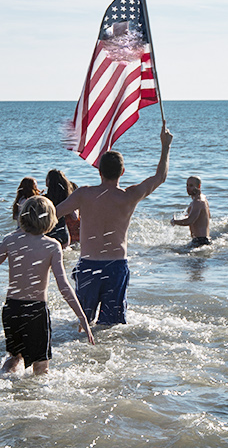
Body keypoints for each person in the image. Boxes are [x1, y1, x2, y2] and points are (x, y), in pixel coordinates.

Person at [0, 195, 95, 374]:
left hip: (12, 309)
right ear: (50, 219)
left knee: (14, 358)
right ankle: (36, 399)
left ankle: (0, 382)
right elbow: (63, 285)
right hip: (36, 310)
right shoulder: (52, 246)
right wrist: (82, 317)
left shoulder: (11, 240)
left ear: (23, 217)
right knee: (41, 364)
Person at [54, 123, 172, 325]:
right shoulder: (129, 196)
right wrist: (165, 146)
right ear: (123, 171)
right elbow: (160, 177)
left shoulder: (84, 194)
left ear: (99, 170)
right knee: (111, 327)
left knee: (83, 323)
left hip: (88, 265)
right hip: (116, 266)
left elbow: (53, 214)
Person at [171, 176, 212, 246]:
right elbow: (208, 216)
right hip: (202, 240)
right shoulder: (203, 198)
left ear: (199, 186)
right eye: (187, 185)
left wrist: (175, 222)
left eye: (191, 186)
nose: (188, 188)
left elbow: (190, 221)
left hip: (201, 241)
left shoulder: (198, 202)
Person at [43, 169, 77, 248]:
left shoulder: (44, 200)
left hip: (48, 235)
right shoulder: (66, 198)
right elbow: (75, 217)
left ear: (49, 182)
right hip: (63, 235)